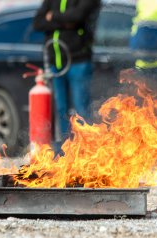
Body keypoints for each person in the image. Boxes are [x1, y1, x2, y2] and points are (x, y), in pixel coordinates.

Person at [33, 0, 101, 142]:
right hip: (56, 63)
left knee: (81, 109)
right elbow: (37, 23)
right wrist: (65, 22)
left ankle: (86, 147)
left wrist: (52, 16)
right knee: (61, 109)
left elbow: (77, 16)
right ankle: (66, 149)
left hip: (78, 60)